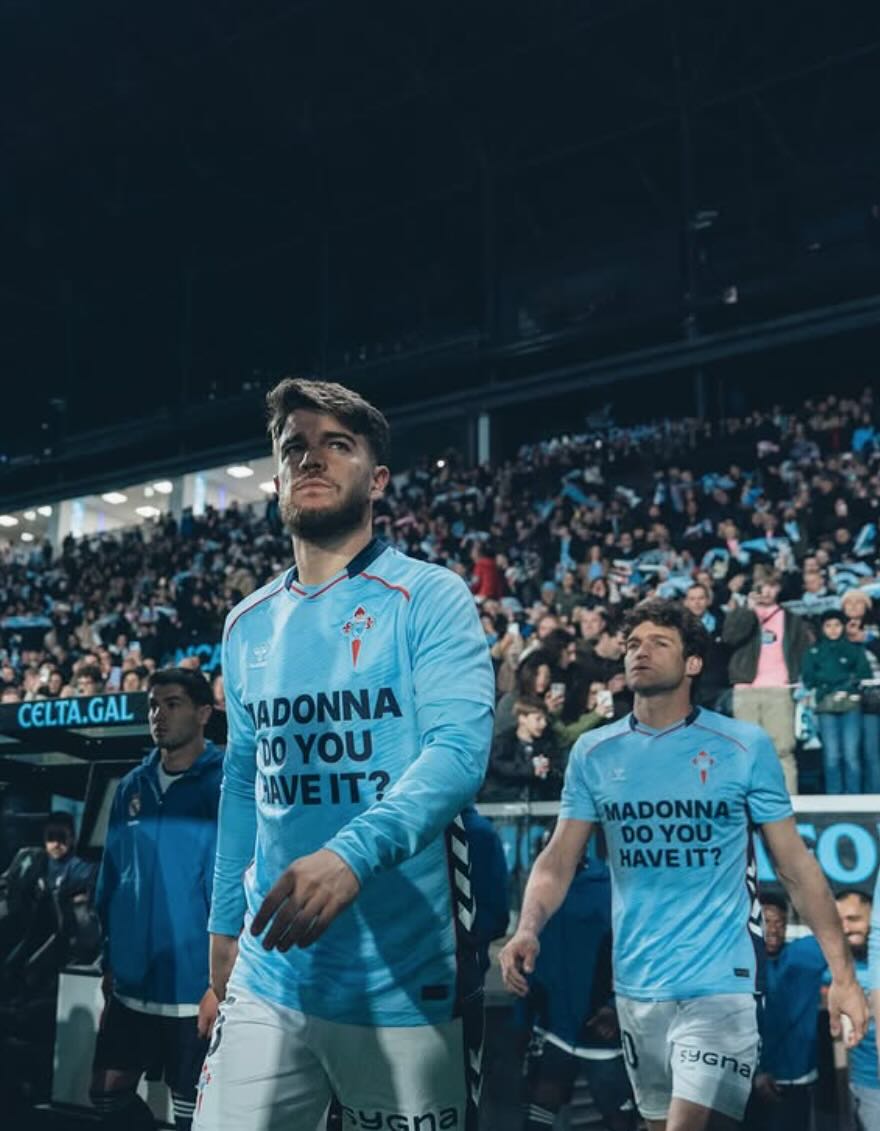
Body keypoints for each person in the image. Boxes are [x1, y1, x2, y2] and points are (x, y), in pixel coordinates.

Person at [196, 378, 495, 1130]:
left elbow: (459, 754)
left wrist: (350, 855)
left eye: (337, 445)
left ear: (377, 478)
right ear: (276, 478)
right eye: (294, 446)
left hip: (402, 978)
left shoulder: (429, 595)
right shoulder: (246, 622)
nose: (311, 459)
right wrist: (223, 926)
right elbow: (242, 782)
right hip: (269, 971)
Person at [500, 598, 867, 1131]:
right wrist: (528, 926)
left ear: (693, 662)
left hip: (721, 982)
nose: (639, 652)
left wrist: (845, 977)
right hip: (637, 984)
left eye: (658, 643)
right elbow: (558, 858)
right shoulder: (594, 752)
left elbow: (795, 866)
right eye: (632, 644)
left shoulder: (742, 745)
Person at [91, 668, 223, 1131]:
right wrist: (110, 959)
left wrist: (221, 983)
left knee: (191, 1113)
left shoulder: (227, 783)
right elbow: (112, 877)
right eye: (152, 706)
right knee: (105, 1096)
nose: (158, 716)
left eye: (172, 704)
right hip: (132, 982)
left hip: (194, 988)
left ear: (203, 713)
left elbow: (236, 888)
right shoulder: (131, 785)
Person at [518, 853, 636, 1131]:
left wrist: (616, 1006)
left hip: (602, 1033)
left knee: (620, 1121)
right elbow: (533, 957)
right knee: (539, 1113)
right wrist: (523, 1015)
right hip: (552, 1028)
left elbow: (633, 951)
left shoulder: (612, 885)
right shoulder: (539, 887)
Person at [723, 570, 811, 794]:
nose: (767, 591)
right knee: (745, 750)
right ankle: (748, 803)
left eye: (772, 586)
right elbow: (729, 638)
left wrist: (800, 684)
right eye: (762, 586)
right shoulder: (743, 612)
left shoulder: (791, 619)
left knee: (783, 749)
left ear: (778, 588)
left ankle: (790, 801)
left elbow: (803, 652)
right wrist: (748, 609)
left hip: (780, 689)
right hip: (746, 689)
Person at [745, 893, 827, 1131]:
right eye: (766, 921)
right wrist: (756, 1072)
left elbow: (840, 935)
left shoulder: (804, 953)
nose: (773, 929)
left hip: (797, 1081)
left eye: (780, 923)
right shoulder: (740, 963)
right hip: (751, 1080)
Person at [801, 610, 872, 794]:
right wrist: (838, 682)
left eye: (837, 625)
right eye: (828, 626)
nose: (833, 630)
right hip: (826, 705)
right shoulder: (814, 651)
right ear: (822, 628)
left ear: (843, 627)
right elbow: (809, 678)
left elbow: (864, 674)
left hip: (851, 705)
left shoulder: (854, 649)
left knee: (851, 755)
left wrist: (837, 684)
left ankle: (854, 798)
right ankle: (834, 798)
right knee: (831, 756)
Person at [838, 889, 880, 1128]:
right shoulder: (837, 969)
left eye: (853, 919)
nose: (845, 928)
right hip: (860, 1084)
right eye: (839, 921)